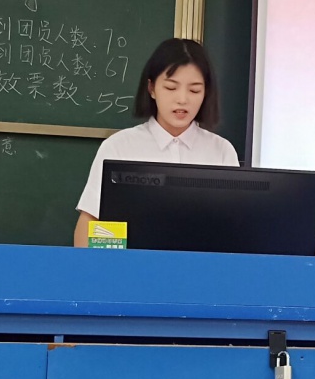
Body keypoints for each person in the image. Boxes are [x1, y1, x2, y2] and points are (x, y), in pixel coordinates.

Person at [73, 38, 239, 246]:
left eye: (194, 90)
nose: (182, 99)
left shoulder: (221, 151)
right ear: (151, 88)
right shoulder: (119, 146)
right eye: (171, 88)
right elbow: (90, 222)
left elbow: (233, 229)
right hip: (132, 264)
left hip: (202, 265)